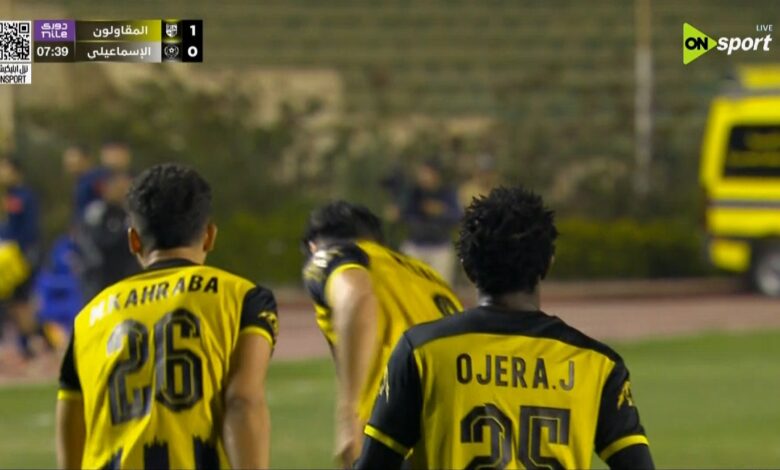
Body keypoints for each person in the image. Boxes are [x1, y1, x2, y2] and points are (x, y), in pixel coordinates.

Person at [356, 187, 654, 470]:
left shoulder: (422, 350)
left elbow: (374, 464)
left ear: (467, 266)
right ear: (548, 263)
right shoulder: (598, 364)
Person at [56, 164, 278, 469]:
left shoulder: (88, 318)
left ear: (134, 240)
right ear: (209, 235)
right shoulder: (243, 298)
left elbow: (70, 423)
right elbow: (243, 401)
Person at [301, 201, 462, 467]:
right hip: (460, 430)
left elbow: (355, 295)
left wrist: (348, 415)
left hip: (396, 432)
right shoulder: (428, 275)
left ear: (313, 246)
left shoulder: (330, 256)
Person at [0, 157, 52, 357]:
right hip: (12, 258)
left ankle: (40, 343)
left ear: (16, 171)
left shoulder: (24, 197)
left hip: (22, 257)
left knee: (21, 302)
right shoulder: (9, 196)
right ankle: (32, 344)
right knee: (16, 303)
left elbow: (28, 231)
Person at [77, 170, 140, 300]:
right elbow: (96, 242)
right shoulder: (97, 213)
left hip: (131, 279)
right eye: (117, 186)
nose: (122, 191)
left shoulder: (136, 214)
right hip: (100, 278)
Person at [399, 158, 461, 285]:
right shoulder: (414, 192)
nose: (424, 177)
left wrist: (441, 211)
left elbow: (457, 217)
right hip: (416, 245)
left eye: (427, 173)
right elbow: (406, 213)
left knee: (440, 285)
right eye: (422, 173)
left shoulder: (447, 193)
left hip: (439, 247)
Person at [62, 144, 108, 221]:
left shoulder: (96, 180)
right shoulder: (79, 182)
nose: (69, 164)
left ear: (86, 159)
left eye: (73, 158)